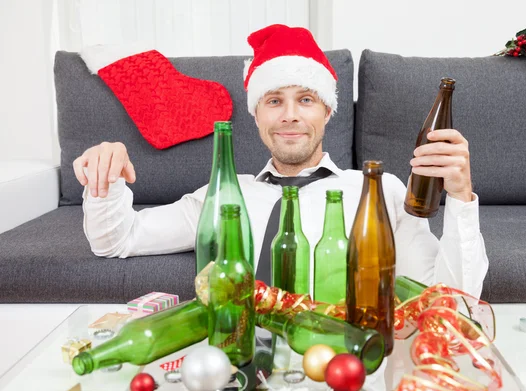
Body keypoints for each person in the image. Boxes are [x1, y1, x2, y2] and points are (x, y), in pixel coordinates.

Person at [73, 24, 488, 300]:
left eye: (305, 100)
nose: (290, 114)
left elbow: (450, 296)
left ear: (327, 113)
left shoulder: (379, 191)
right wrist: (104, 175)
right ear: (256, 115)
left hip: (346, 366)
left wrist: (461, 198)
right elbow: (117, 240)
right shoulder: (224, 195)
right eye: (274, 101)